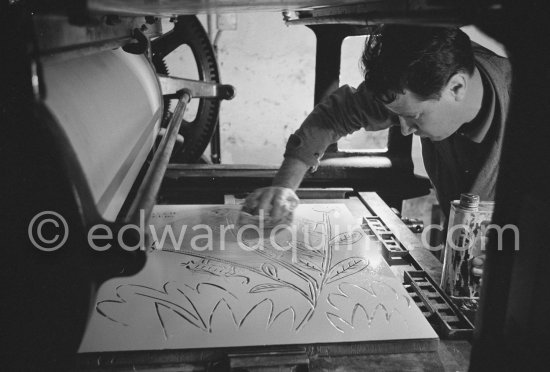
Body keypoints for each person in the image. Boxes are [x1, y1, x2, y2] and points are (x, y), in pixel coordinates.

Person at [242, 25, 511, 226]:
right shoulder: (416, 77)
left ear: (457, 87)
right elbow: (337, 114)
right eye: (398, 116)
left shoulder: (532, 115)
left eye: (414, 117)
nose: (404, 129)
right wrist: (285, 186)